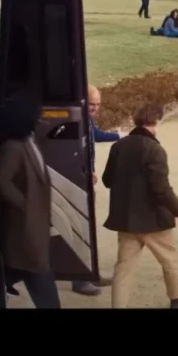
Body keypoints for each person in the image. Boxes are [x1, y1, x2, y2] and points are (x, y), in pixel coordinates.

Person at [103, 102, 178, 309]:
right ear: (155, 121)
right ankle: (176, 301)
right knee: (170, 261)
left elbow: (107, 180)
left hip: (126, 220)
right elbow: (161, 190)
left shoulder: (118, 147)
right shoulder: (155, 150)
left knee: (123, 269)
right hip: (154, 221)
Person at [0, 94, 59, 308]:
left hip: (32, 230)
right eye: (36, 115)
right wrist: (26, 205)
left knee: (20, 270)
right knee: (41, 279)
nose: (39, 119)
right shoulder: (14, 147)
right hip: (26, 230)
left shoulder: (29, 140)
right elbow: (2, 181)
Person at [69, 84, 122, 296]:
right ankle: (79, 279)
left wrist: (120, 135)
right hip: (76, 181)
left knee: (87, 229)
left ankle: (90, 274)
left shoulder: (86, 119)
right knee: (81, 229)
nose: (95, 109)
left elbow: (96, 136)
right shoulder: (77, 121)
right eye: (92, 104)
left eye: (98, 105)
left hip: (85, 178)